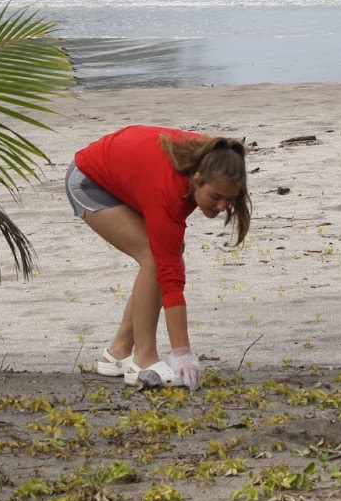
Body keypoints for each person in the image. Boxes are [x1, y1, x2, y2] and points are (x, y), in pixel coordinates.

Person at [65, 125, 251, 389]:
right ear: (197, 179)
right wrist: (182, 353)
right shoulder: (168, 190)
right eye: (216, 197)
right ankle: (144, 360)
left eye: (228, 200)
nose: (222, 207)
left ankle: (117, 353)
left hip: (127, 174)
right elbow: (170, 276)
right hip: (89, 180)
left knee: (164, 256)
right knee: (154, 259)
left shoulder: (220, 161)